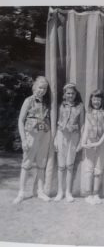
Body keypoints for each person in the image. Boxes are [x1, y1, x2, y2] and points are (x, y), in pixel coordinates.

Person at [13, 76, 51, 204]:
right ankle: (21, 193)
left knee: (41, 163)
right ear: (34, 87)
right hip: (31, 135)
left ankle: (40, 191)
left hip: (44, 134)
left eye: (45, 88)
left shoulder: (47, 102)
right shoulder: (28, 101)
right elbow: (20, 120)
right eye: (40, 87)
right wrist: (23, 139)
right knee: (26, 164)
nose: (42, 90)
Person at [54, 83, 84, 202]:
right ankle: (60, 191)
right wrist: (56, 138)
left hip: (74, 136)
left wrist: (81, 141)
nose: (70, 95)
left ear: (75, 94)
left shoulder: (80, 106)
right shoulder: (61, 105)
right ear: (64, 94)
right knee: (61, 165)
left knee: (69, 165)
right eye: (68, 93)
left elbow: (82, 125)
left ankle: (68, 192)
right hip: (61, 135)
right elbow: (57, 122)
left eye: (72, 93)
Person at [81, 90, 104, 205]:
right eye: (94, 99)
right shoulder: (88, 113)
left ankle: (95, 193)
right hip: (90, 141)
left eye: (98, 99)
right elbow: (86, 129)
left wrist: (99, 143)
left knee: (98, 168)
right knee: (89, 167)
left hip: (102, 142)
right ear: (91, 100)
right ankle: (88, 194)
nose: (96, 101)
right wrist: (84, 142)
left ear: (102, 100)